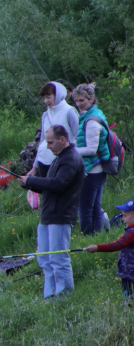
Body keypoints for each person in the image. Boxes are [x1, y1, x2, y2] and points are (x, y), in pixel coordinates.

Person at [20, 125, 85, 299]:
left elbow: (58, 185)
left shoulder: (71, 159)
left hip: (61, 216)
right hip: (47, 215)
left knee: (58, 259)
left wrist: (32, 179)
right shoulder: (58, 158)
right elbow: (50, 187)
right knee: (45, 260)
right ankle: (49, 296)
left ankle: (64, 296)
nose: (48, 146)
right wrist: (29, 184)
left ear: (62, 140)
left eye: (50, 142)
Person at [73, 83, 110, 235]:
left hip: (92, 170)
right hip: (96, 168)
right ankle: (97, 237)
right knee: (95, 207)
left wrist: (70, 150)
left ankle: (87, 238)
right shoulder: (91, 115)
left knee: (85, 209)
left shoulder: (92, 121)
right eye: (76, 101)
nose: (79, 104)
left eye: (82, 100)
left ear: (91, 99)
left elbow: (91, 149)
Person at [85, 199, 134, 303]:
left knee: (128, 295)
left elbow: (117, 245)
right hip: (129, 271)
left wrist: (97, 247)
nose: (122, 219)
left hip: (129, 272)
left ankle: (128, 307)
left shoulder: (131, 233)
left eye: (125, 216)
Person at [28, 82, 79, 178]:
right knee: (46, 191)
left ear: (58, 94)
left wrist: (75, 161)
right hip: (43, 161)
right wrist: (34, 167)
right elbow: (42, 140)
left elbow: (78, 138)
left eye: (48, 97)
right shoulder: (45, 115)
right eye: (44, 98)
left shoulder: (70, 111)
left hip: (62, 161)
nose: (46, 101)